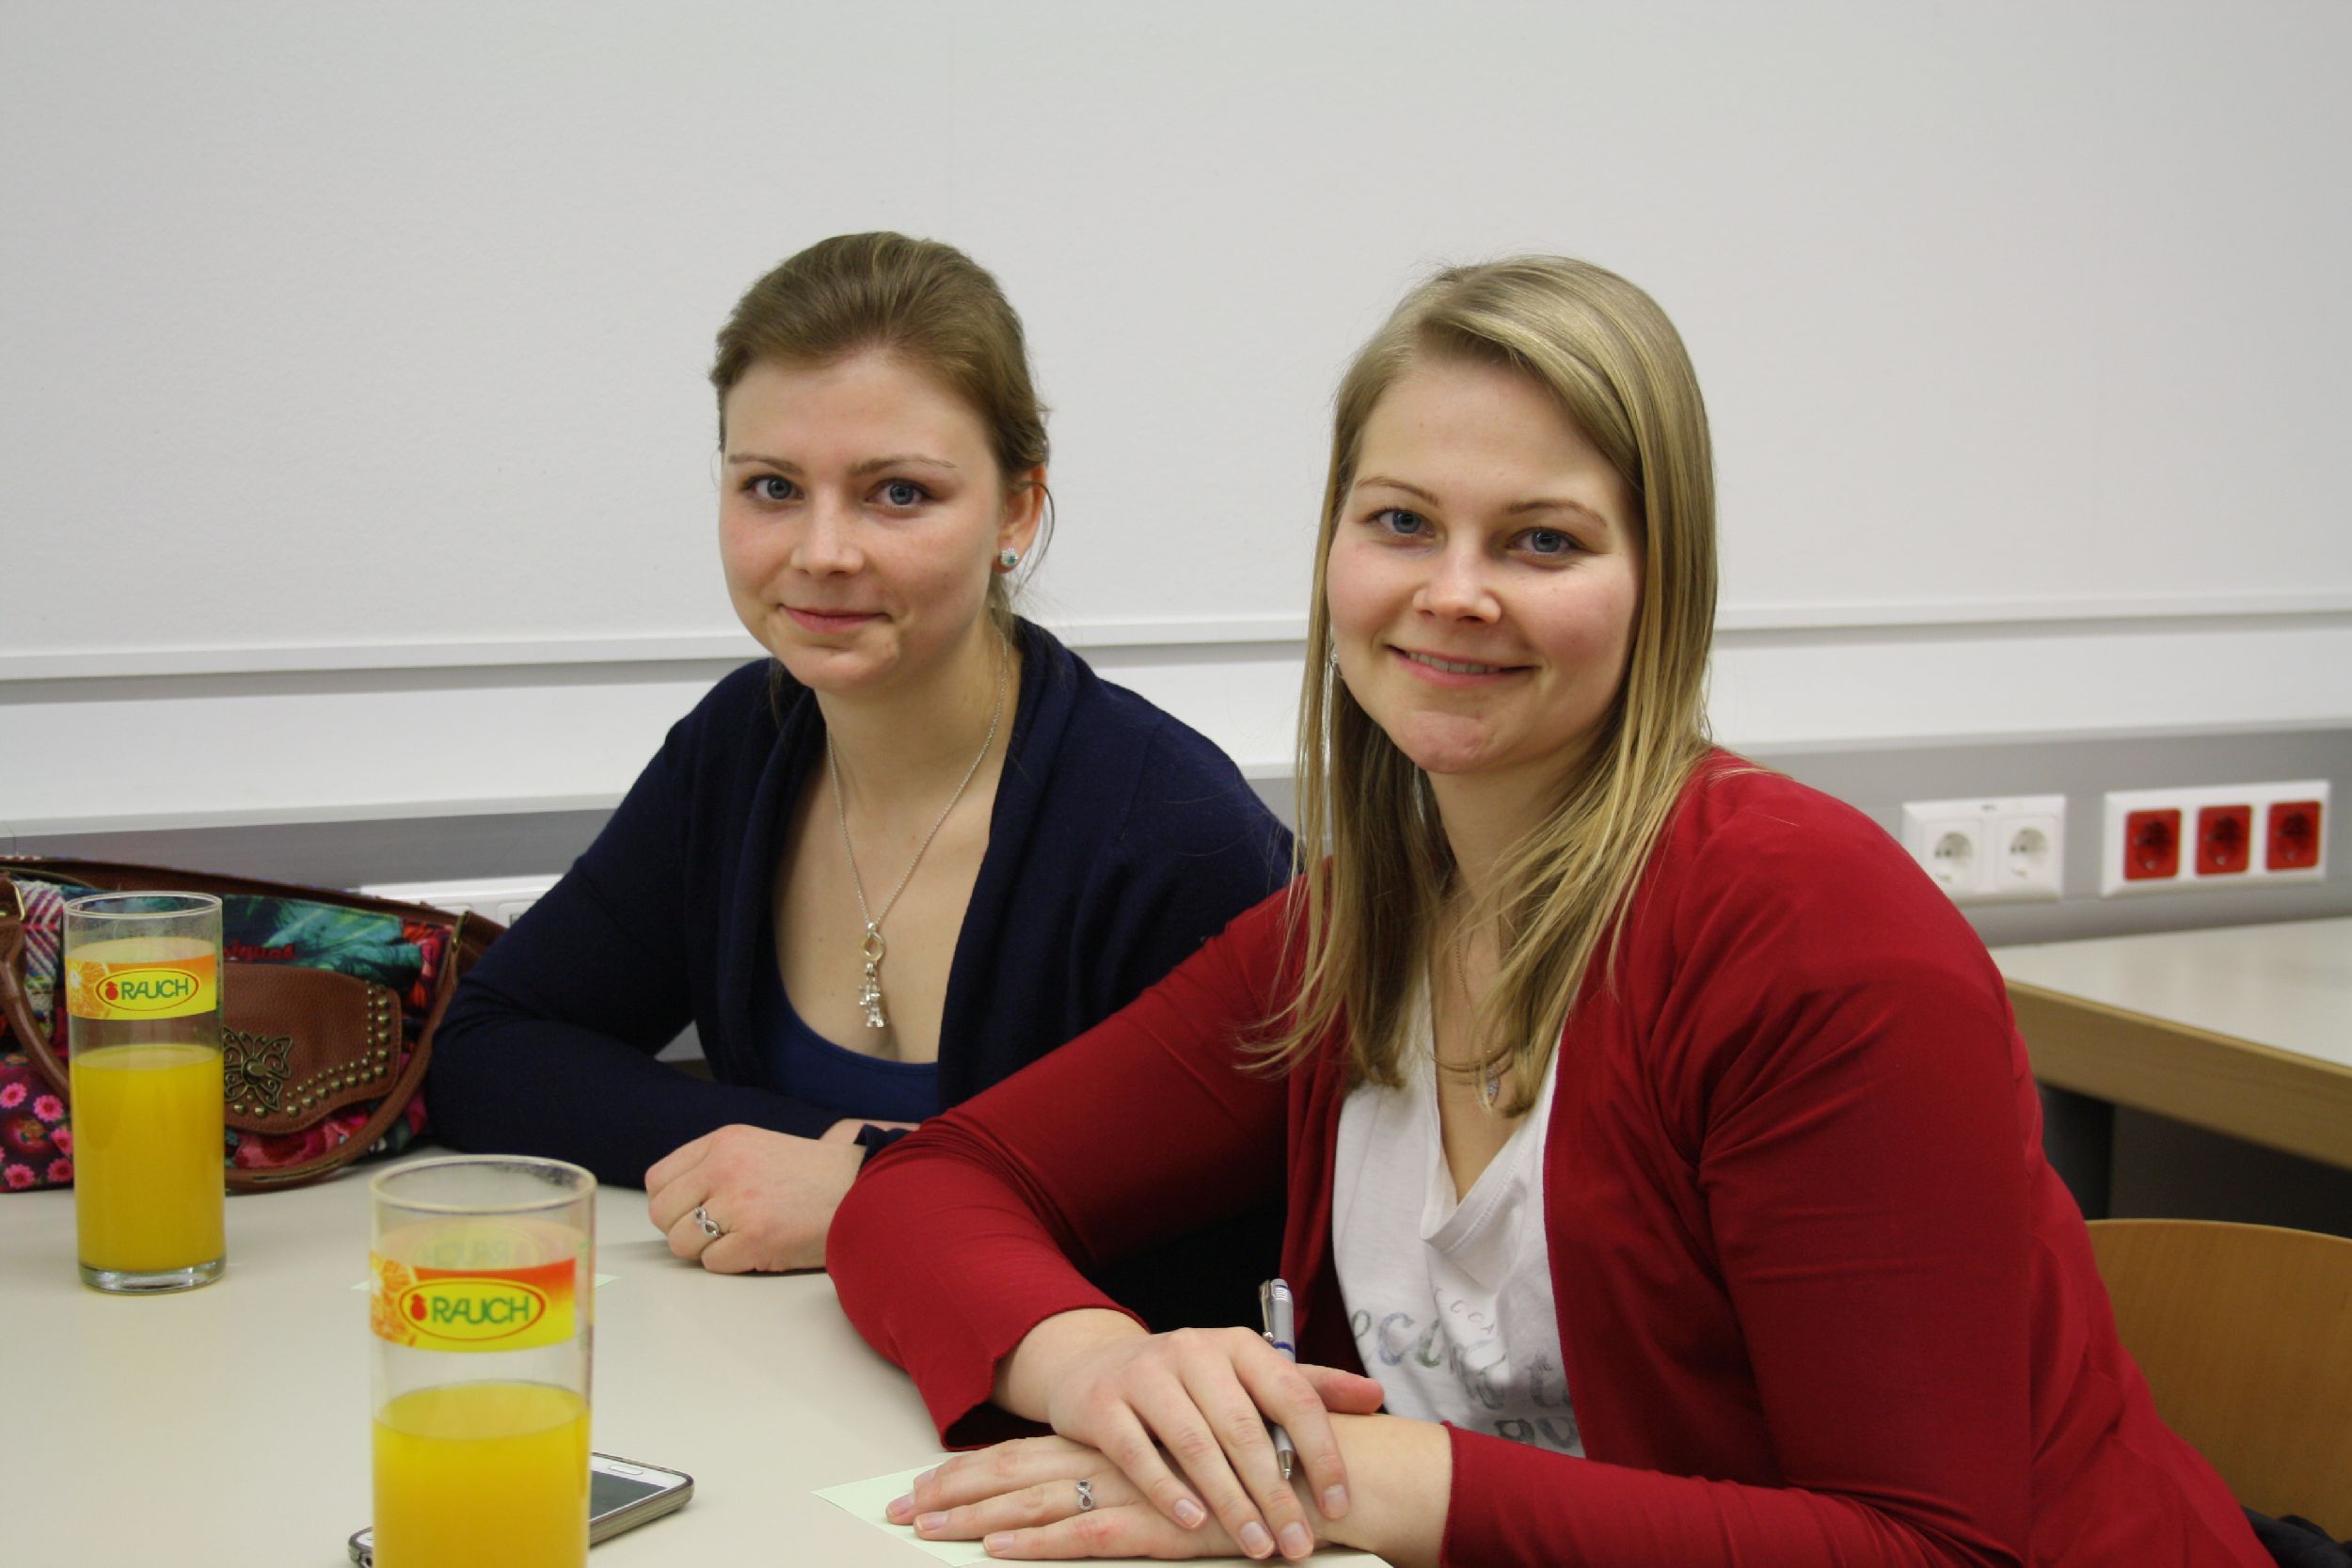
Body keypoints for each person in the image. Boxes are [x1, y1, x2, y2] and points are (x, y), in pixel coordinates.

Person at [829, 257, 2270, 1567]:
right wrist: (1100, 1364)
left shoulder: (1816, 938)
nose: (1454, 592)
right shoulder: (1358, 931)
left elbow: (1928, 1546)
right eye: (1402, 522)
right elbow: (934, 1185)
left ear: (1661, 580)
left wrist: (1349, 1474)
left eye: (1542, 541)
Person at [426, 233, 1290, 1299]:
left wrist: (874, 1185)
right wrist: (830, 1151)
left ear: (1017, 510)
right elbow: (489, 1049)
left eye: (899, 494)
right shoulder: (741, 745)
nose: (823, 551)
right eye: (772, 486)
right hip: (791, 1365)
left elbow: (1220, 1244)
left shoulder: (1173, 831)